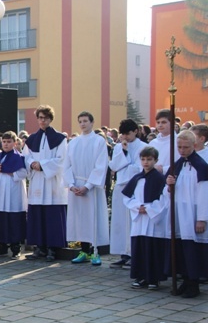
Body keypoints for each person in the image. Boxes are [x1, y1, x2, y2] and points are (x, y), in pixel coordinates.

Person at [164, 130, 208, 298]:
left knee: (193, 249)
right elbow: (169, 190)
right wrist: (169, 184)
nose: (182, 150)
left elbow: (204, 194)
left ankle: (194, 282)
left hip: (193, 213)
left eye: (186, 147)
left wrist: (202, 219)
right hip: (179, 213)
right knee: (181, 248)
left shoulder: (201, 166)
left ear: (194, 145)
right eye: (179, 147)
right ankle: (185, 279)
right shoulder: (178, 164)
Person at [64, 112, 109, 266]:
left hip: (91, 187)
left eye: (85, 121)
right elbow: (67, 165)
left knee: (93, 217)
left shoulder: (98, 141)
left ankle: (95, 251)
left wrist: (87, 186)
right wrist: (71, 185)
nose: (83, 124)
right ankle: (84, 250)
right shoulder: (73, 143)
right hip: (76, 186)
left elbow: (100, 166)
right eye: (80, 121)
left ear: (92, 122)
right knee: (80, 220)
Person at [23, 105, 68, 262]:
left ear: (50, 119)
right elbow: (26, 157)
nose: (43, 120)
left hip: (51, 182)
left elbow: (61, 160)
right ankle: (39, 247)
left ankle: (52, 248)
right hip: (37, 181)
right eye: (40, 118)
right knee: (38, 214)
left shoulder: (60, 139)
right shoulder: (32, 139)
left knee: (52, 216)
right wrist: (33, 164)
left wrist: (42, 164)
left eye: (46, 118)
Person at [121, 146, 167, 290]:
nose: (146, 162)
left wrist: (148, 208)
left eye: (149, 159)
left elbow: (164, 198)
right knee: (139, 247)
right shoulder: (137, 178)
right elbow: (128, 197)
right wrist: (137, 207)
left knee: (152, 247)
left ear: (156, 160)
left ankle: (153, 278)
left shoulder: (160, 179)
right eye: (143, 159)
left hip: (152, 217)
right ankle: (140, 276)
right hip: (139, 217)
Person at [108, 119, 148, 268]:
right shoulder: (119, 147)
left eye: (128, 134)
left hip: (135, 187)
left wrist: (127, 165)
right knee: (120, 222)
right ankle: (123, 253)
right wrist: (123, 152)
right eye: (123, 134)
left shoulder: (143, 147)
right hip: (120, 186)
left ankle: (135, 254)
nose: (125, 137)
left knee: (132, 221)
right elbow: (113, 166)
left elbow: (140, 168)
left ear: (136, 131)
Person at [0, 131, 28, 259]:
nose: (6, 144)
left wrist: (7, 171)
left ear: (14, 143)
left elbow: (22, 173)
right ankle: (1, 247)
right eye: (4, 142)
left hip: (12, 192)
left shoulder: (18, 157)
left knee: (13, 219)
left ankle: (15, 247)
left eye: (9, 142)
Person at [149, 109, 180, 174]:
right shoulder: (153, 143)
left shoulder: (178, 141)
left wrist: (163, 169)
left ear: (172, 123)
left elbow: (181, 163)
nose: (160, 125)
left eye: (163, 122)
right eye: (158, 122)